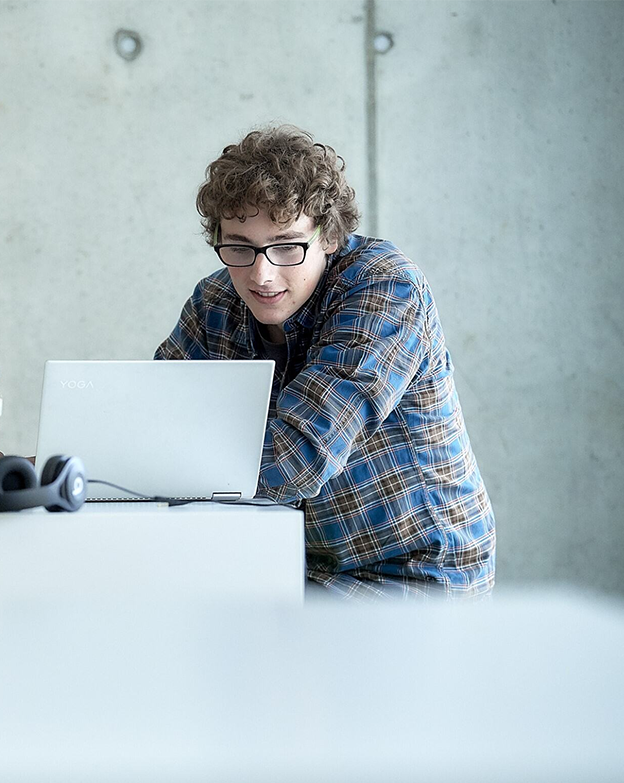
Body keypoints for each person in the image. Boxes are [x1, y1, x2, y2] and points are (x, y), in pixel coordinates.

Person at [156, 125, 495, 598]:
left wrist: (147, 463)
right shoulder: (215, 300)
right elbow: (153, 418)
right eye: (239, 246)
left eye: (287, 245)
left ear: (329, 236)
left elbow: (297, 459)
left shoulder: (386, 287)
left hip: (415, 574)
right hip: (292, 564)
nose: (262, 274)